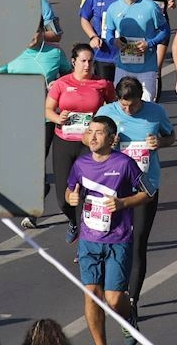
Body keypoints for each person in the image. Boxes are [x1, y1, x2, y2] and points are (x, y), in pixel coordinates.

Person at [65, 115, 152, 345]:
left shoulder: (124, 164)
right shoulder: (81, 164)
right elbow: (69, 190)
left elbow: (148, 192)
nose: (92, 137)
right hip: (89, 239)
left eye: (99, 132)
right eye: (90, 131)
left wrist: (123, 203)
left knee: (113, 300)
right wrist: (71, 196)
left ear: (112, 138)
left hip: (118, 238)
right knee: (92, 295)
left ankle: (128, 318)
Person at [94, 75, 173, 321]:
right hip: (112, 186)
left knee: (138, 242)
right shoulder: (107, 111)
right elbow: (90, 140)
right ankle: (112, 289)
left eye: (133, 104)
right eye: (124, 105)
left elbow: (171, 136)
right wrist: (108, 143)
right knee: (113, 243)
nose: (128, 109)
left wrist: (159, 141)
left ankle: (132, 301)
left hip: (144, 187)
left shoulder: (155, 111)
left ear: (142, 98)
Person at [45, 45, 116, 237]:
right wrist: (58, 118)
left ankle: (85, 239)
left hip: (90, 144)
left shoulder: (102, 84)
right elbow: (48, 110)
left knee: (84, 192)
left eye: (91, 61)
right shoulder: (61, 83)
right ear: (74, 62)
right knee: (64, 198)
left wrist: (104, 125)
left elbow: (114, 109)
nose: (87, 65)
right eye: (83, 61)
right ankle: (73, 221)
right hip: (64, 142)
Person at [101, 0, 170, 102]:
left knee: (147, 105)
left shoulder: (150, 7)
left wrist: (149, 43)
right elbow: (109, 32)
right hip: (123, 67)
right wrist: (113, 41)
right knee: (122, 104)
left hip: (146, 67)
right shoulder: (113, 8)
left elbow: (165, 30)